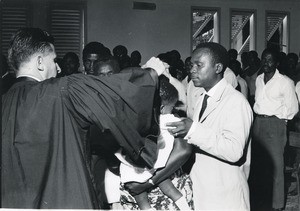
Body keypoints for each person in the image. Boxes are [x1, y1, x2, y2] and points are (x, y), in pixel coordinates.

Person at [2, 27, 166, 208]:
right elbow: (111, 92)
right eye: (54, 60)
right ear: (40, 62)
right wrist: (150, 73)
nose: (57, 67)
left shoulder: (5, 101)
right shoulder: (61, 90)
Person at [166, 42, 253, 210]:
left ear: (218, 67)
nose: (192, 70)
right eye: (192, 65)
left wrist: (193, 130)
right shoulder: (203, 98)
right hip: (204, 188)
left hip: (224, 193)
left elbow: (234, 151)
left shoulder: (236, 101)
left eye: (199, 65)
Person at [116, 79, 191, 210]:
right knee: (169, 187)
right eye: (172, 107)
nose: (173, 110)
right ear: (162, 108)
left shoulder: (138, 118)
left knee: (139, 195)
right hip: (160, 166)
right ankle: (184, 206)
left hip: (138, 167)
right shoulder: (171, 119)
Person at [250, 48, 299, 211]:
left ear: (277, 63)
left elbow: (292, 109)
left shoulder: (285, 82)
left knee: (276, 166)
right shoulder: (258, 80)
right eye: (264, 59)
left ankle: (277, 205)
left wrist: (277, 118)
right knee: (258, 165)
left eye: (270, 60)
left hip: (275, 125)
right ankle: (261, 201)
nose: (266, 62)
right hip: (258, 123)